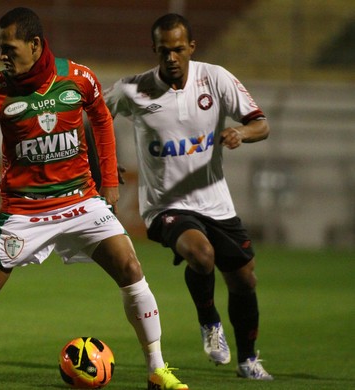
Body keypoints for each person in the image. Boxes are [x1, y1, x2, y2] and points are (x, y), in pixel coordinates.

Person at [0, 7, 188, 390]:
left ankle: (157, 369)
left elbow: (100, 119)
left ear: (35, 45)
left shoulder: (79, 79)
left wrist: (109, 181)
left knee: (130, 269)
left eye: (9, 48)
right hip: (24, 211)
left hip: (80, 202)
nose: (2, 56)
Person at [104, 13, 273, 380]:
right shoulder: (133, 89)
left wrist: (241, 134)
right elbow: (91, 117)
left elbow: (261, 124)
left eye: (179, 49)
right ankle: (209, 322)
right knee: (201, 253)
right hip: (165, 206)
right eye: (164, 51)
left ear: (191, 47)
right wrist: (102, 162)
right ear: (154, 50)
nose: (171, 58)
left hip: (216, 203)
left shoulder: (215, 78)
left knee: (244, 279)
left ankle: (248, 360)